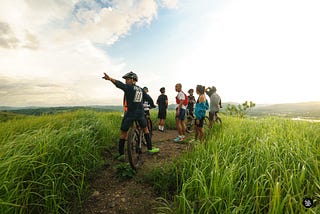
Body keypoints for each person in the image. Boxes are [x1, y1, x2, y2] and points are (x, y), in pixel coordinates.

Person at [102, 71, 159, 161]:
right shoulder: (140, 89)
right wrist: (152, 105)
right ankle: (150, 148)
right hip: (140, 114)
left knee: (123, 133)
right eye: (125, 79)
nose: (126, 81)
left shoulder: (129, 87)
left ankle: (121, 154)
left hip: (130, 114)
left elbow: (119, 84)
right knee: (146, 129)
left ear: (133, 80)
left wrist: (110, 79)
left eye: (127, 79)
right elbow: (148, 98)